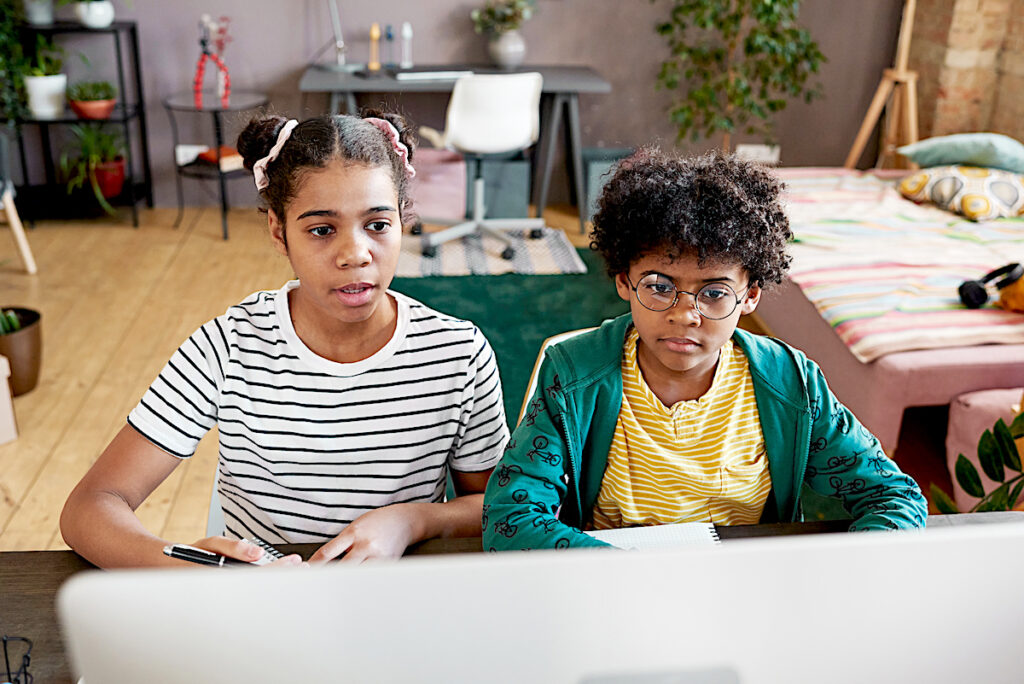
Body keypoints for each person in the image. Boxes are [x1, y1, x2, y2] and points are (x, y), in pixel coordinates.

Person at [61, 112, 508, 567]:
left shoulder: (458, 353)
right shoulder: (228, 347)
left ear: (402, 220)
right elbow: (91, 506)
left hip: (397, 602)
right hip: (264, 608)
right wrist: (186, 570)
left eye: (377, 224)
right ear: (279, 232)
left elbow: (501, 508)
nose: (355, 254)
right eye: (321, 229)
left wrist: (412, 520)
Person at [482, 149, 927, 551]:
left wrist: (846, 574)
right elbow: (509, 518)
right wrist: (629, 574)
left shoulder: (791, 384)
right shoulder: (573, 376)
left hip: (742, 593)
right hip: (612, 591)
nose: (685, 315)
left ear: (750, 295)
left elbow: (894, 495)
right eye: (659, 287)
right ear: (623, 281)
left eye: (713, 293)